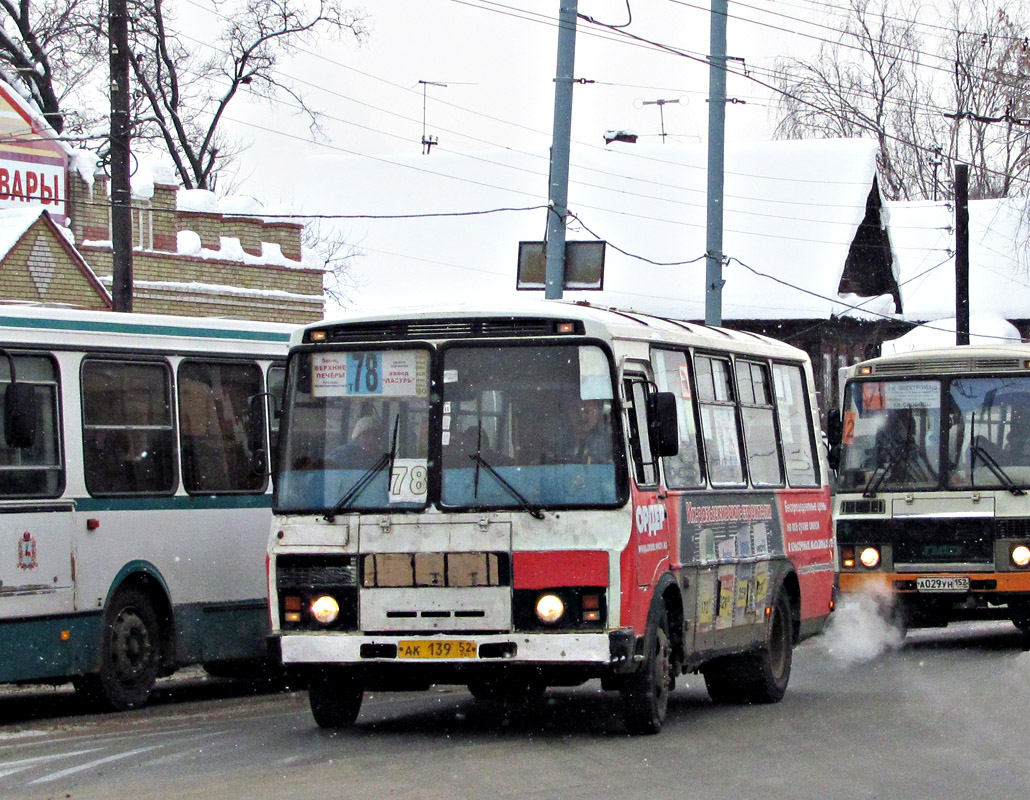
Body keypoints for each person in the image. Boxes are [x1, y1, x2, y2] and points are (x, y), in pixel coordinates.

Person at [568, 399, 612, 464]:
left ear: (598, 412)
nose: (582, 417)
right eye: (577, 412)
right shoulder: (558, 441)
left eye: (587, 411)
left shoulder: (610, 439)